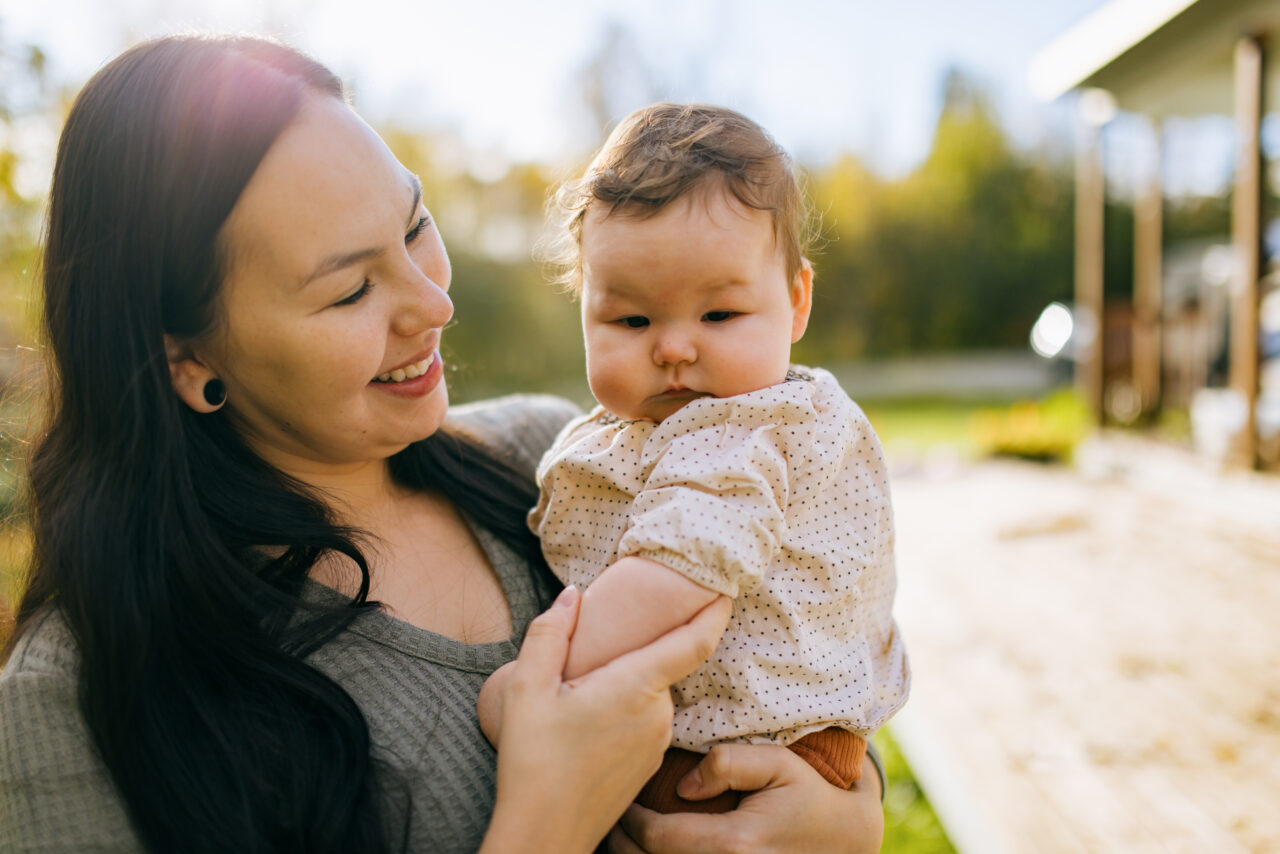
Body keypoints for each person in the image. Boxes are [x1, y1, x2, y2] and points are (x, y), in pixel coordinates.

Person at [0, 36, 886, 854]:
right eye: (351, 290)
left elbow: (805, 645)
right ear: (189, 357)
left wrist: (845, 815)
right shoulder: (69, 701)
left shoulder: (560, 464)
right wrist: (544, 822)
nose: (435, 305)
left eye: (416, 226)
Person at [478, 103, 910, 815]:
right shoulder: (661, 426)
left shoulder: (742, 432)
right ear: (584, 311)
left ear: (796, 301)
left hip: (739, 753)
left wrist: (536, 682)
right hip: (753, 738)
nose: (674, 348)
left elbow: (672, 579)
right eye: (632, 320)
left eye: (718, 316)